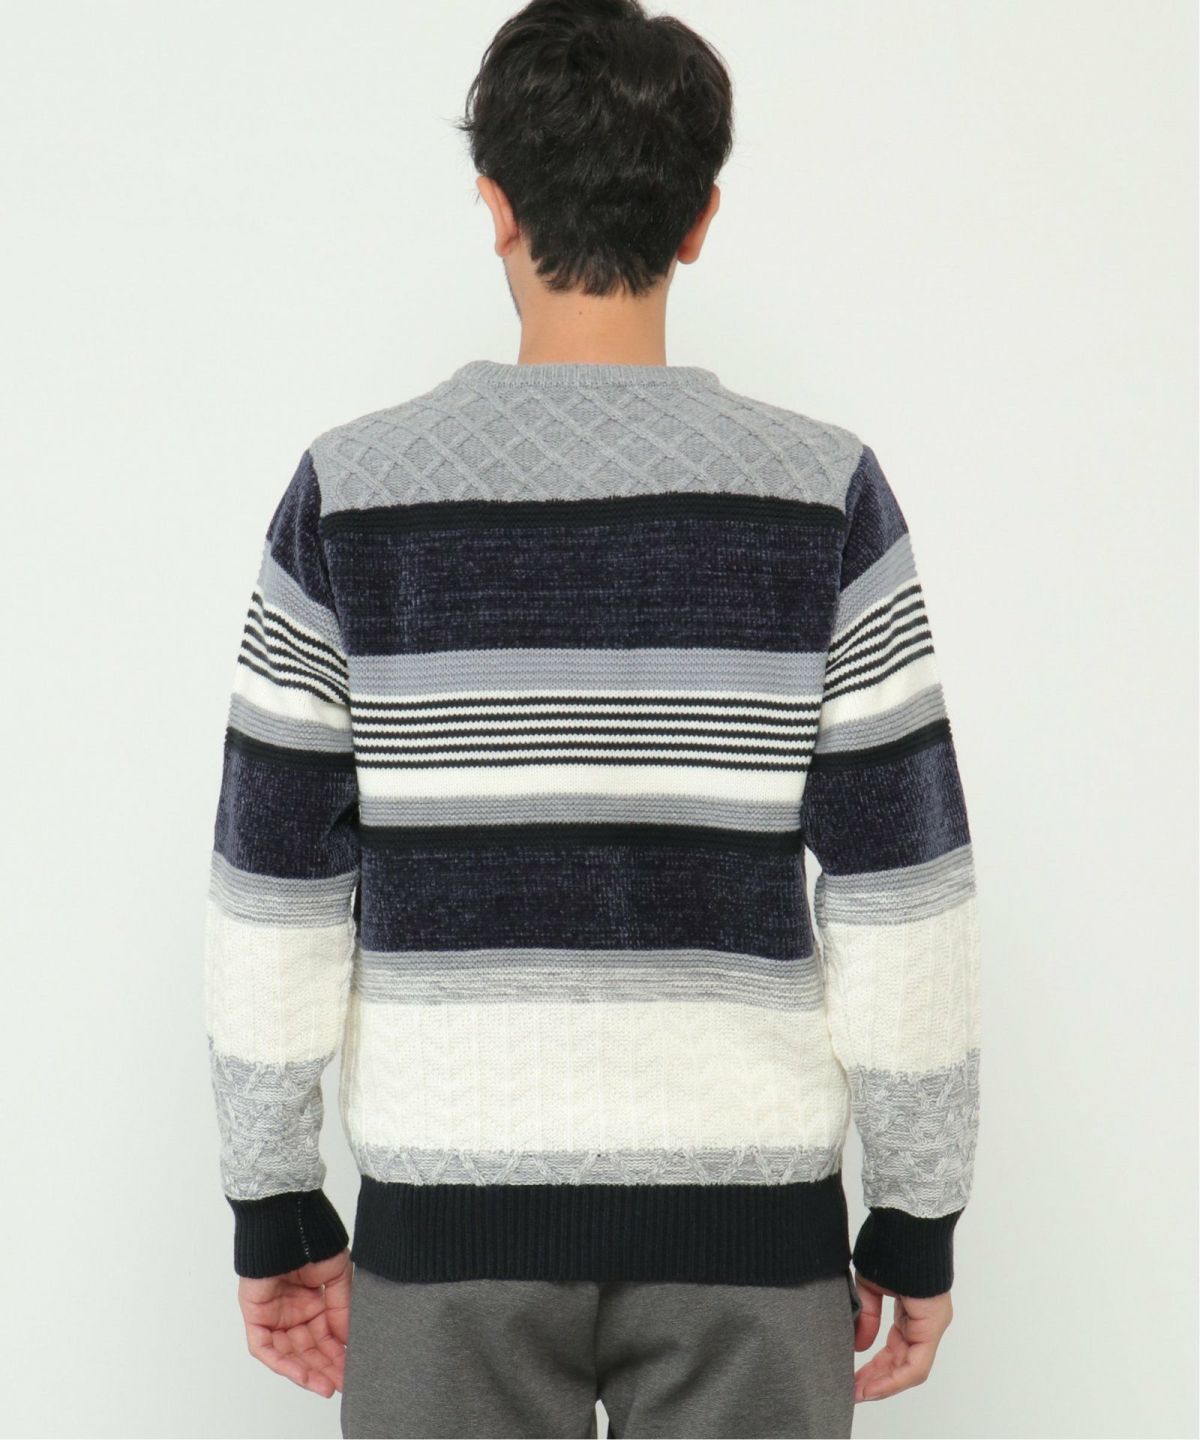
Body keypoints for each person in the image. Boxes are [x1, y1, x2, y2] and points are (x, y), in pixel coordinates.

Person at [202, 1, 983, 1435]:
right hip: (753, 1237)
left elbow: (275, 886)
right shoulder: (823, 495)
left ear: (494, 206)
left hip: (449, 1228)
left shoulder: (352, 495)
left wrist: (275, 1197)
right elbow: (904, 890)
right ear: (701, 220)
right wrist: (916, 1214)